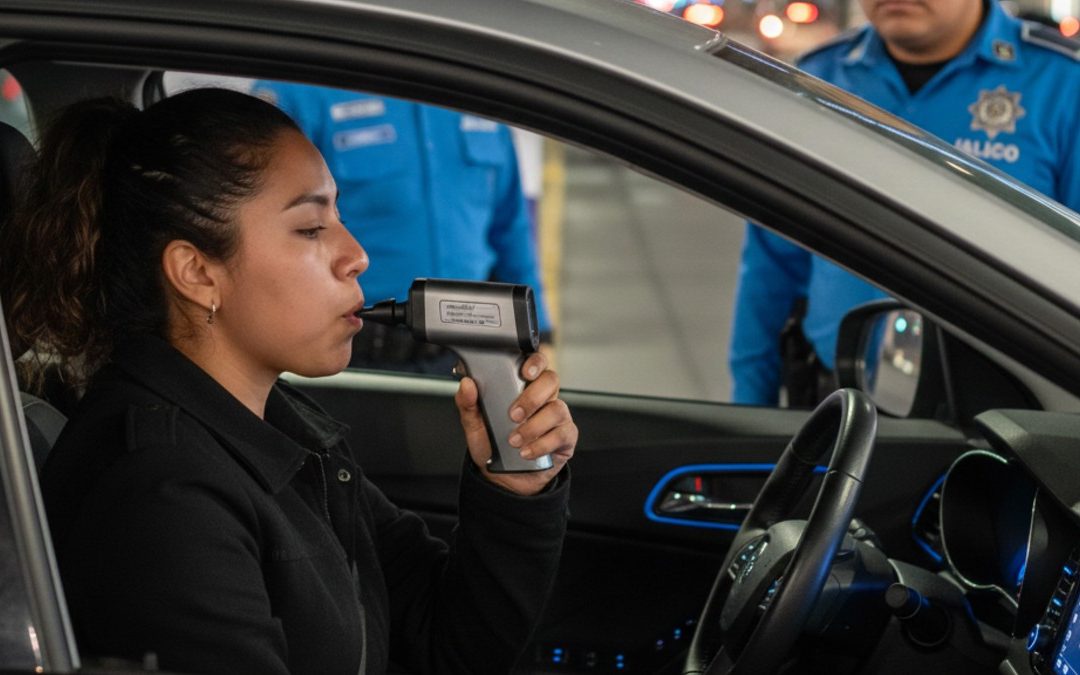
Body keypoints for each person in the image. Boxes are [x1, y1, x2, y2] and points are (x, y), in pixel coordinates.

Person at [1, 88, 577, 675]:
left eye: (340, 218)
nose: (356, 256)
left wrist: (513, 493)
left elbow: (442, 644)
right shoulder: (162, 497)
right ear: (198, 273)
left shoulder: (278, 428)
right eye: (310, 228)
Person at [729, 0, 1080, 406]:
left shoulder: (1061, 83)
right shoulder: (818, 79)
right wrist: (750, 412)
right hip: (838, 403)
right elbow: (772, 264)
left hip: (1004, 418)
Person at [249, 81, 552, 373]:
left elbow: (510, 229)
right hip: (353, 358)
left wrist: (539, 332)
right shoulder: (305, 85)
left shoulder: (475, 90)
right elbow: (260, 230)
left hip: (470, 357)